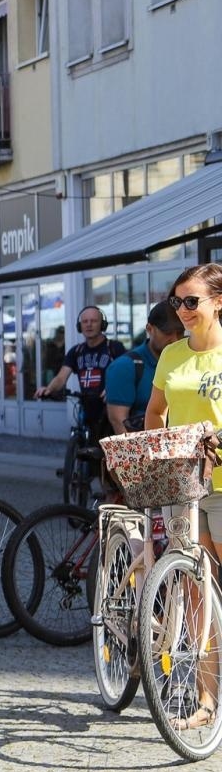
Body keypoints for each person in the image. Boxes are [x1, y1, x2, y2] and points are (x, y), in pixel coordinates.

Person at [143, 263, 222, 732]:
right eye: (177, 302)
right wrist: (159, 455)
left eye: (192, 301)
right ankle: (206, 697)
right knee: (195, 592)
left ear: (219, 302)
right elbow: (156, 412)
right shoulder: (172, 355)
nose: (183, 310)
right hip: (184, 483)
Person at [36, 304, 126, 435]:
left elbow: (126, 375)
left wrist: (114, 388)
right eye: (85, 321)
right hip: (86, 407)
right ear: (80, 326)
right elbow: (61, 377)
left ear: (102, 325)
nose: (89, 325)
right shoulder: (76, 352)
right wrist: (49, 389)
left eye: (94, 321)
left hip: (110, 409)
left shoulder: (115, 348)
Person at [105, 302, 185, 435]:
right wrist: (141, 455)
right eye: (167, 332)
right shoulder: (125, 366)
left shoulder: (188, 361)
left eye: (180, 332)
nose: (175, 339)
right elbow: (118, 421)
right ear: (149, 329)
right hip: (145, 448)